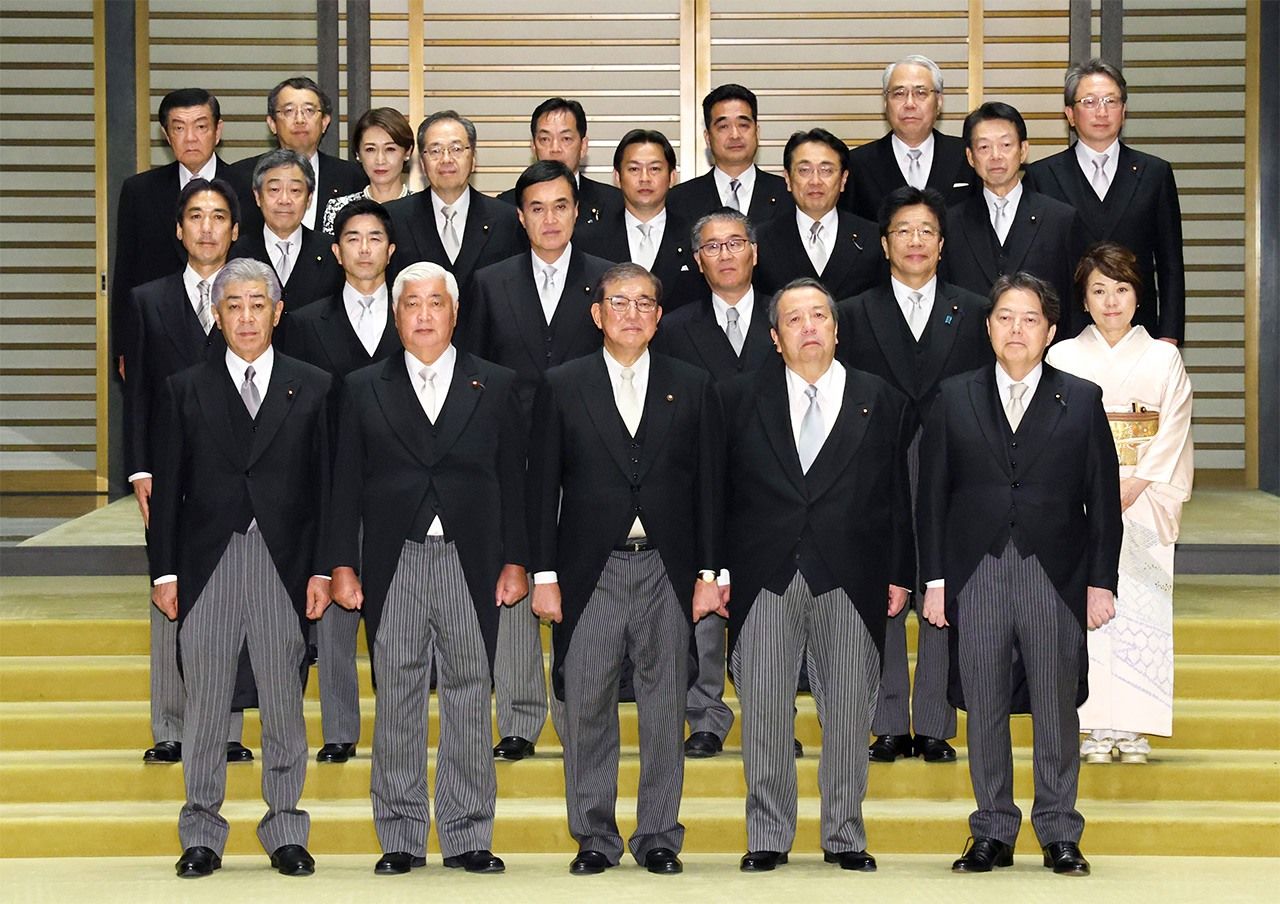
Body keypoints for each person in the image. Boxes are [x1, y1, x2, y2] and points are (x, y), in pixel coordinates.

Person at [917, 272, 1122, 877]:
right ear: (988, 327)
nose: (1016, 329)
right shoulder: (953, 396)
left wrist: (1101, 582)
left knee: (1056, 706)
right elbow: (931, 498)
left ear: (1050, 331)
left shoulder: (1080, 398)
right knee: (983, 704)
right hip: (975, 572)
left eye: (1030, 319)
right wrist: (934, 581)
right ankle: (992, 830)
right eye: (1005, 317)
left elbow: (1102, 501)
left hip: (1053, 573)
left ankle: (1059, 831)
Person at [328, 261, 528, 876]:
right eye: (411, 304)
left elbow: (514, 480)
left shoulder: (495, 383)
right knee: (397, 693)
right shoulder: (363, 386)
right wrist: (341, 563)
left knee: (470, 690)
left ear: (454, 313)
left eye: (435, 303)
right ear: (396, 316)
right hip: (396, 559)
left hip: (473, 558)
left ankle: (468, 833)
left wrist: (517, 559)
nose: (423, 315)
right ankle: (400, 834)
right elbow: (343, 483)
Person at [527, 262, 724, 876]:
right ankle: (594, 835)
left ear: (659, 317)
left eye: (644, 303)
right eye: (619, 302)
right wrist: (543, 575)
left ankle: (659, 834)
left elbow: (710, 486)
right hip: (589, 570)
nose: (631, 313)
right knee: (586, 705)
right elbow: (542, 486)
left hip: (668, 568)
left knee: (665, 705)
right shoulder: (563, 384)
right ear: (597, 314)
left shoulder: (692, 384)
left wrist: (709, 573)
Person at [148, 257, 333, 879]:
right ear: (216, 314)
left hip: (284, 563)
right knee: (205, 703)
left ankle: (285, 828)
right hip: (209, 563)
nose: (247, 317)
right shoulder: (185, 388)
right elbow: (168, 490)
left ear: (278, 313)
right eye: (234, 306)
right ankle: (202, 831)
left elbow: (327, 489)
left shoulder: (313, 386)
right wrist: (164, 573)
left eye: (258, 305)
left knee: (283, 701)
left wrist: (323, 569)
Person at [722, 278, 913, 873]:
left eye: (819, 317)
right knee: (764, 710)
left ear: (836, 328)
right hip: (764, 573)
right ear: (774, 337)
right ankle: (768, 834)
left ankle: (844, 833)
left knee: (850, 711)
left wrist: (901, 572)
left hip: (853, 575)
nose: (808, 327)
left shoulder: (881, 399)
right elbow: (718, 492)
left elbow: (898, 495)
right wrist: (716, 569)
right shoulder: (737, 397)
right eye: (794, 319)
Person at [461, 159, 614, 761]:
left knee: (582, 578)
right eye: (536, 208)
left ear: (578, 212)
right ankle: (521, 716)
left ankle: (581, 711)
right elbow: (473, 373)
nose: (550, 219)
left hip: (591, 455)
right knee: (516, 574)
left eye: (560, 206)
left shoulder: (609, 279)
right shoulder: (489, 282)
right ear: (520, 218)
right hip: (512, 456)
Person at [837, 185, 994, 764]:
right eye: (903, 231)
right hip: (876, 460)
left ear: (942, 243)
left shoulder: (974, 310)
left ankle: (933, 720)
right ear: (884, 244)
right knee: (883, 583)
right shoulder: (853, 312)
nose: (915, 241)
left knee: (939, 581)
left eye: (927, 230)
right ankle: (885, 720)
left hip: (952, 461)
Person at [1046, 242, 1193, 763]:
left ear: (1138, 297)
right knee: (1085, 607)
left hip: (1145, 494)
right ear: (1083, 300)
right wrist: (1089, 489)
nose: (1111, 302)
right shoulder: (1062, 356)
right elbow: (1051, 431)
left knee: (1142, 610)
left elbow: (1174, 427)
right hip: (1079, 498)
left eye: (1122, 289)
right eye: (1099, 290)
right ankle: (1090, 724)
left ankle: (1135, 726)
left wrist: (1137, 482)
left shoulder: (1163, 357)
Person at [124, 178, 253, 767]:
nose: (207, 227)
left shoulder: (251, 298)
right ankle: (172, 724)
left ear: (235, 230)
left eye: (218, 216)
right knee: (169, 585)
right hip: (168, 470)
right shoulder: (148, 299)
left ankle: (226, 726)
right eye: (196, 216)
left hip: (236, 469)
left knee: (233, 590)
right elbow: (137, 393)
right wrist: (139, 469)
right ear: (179, 230)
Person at [281, 198, 403, 765]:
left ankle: (397, 723)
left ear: (391, 250)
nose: (364, 248)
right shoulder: (306, 322)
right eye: (352, 238)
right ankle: (338, 728)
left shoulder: (416, 312)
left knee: (397, 608)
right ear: (335, 251)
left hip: (401, 480)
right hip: (330, 478)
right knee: (333, 599)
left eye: (374, 238)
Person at [652, 207, 773, 759]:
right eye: (712, 247)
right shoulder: (673, 328)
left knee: (767, 606)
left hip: (773, 483)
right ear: (698, 261)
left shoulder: (787, 315)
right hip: (696, 479)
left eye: (735, 243)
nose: (725, 255)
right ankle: (703, 714)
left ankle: (770, 716)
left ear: (754, 251)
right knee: (700, 597)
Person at [1027, 59, 1186, 344]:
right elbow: (1036, 265)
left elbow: (1170, 262)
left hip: (1139, 330)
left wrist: (1169, 335)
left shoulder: (1155, 173)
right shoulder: (1042, 175)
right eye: (1089, 102)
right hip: (1066, 333)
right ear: (1070, 114)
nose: (1102, 111)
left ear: (1124, 111)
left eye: (1111, 101)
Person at [113, 88, 251, 379]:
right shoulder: (139, 191)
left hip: (233, 332)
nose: (190, 138)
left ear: (217, 131)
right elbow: (125, 271)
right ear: (166, 134)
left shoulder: (247, 187)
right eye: (179, 128)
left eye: (200, 127)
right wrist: (124, 347)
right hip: (160, 337)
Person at [941, 103, 1084, 339]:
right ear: (970, 157)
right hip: (970, 352)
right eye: (984, 147)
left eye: (1006, 145)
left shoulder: (1060, 219)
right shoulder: (951, 222)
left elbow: (1074, 303)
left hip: (1042, 353)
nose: (995, 156)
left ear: (1023, 150)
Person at [384, 110, 524, 288]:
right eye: (435, 151)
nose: (446, 159)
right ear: (422, 164)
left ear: (473, 159)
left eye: (456, 149)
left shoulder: (507, 220)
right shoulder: (394, 218)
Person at [575, 128, 703, 310]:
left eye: (655, 169)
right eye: (634, 169)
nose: (644, 178)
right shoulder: (588, 240)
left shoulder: (696, 238)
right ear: (617, 177)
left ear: (672, 177)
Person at [841, 55, 977, 219]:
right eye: (899, 93)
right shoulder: (857, 164)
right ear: (885, 102)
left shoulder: (968, 156)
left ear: (939, 101)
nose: (910, 104)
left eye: (921, 93)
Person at [755, 128, 883, 302]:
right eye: (804, 170)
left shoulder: (873, 238)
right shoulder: (762, 240)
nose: (815, 181)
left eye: (826, 170)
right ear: (787, 178)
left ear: (843, 179)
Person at [230, 76, 366, 234]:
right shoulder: (240, 178)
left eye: (309, 110)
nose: (300, 120)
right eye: (289, 111)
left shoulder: (353, 178)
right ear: (272, 124)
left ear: (324, 122)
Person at [230, 149, 343, 329]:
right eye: (274, 190)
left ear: (309, 198)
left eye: (295, 190)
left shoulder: (332, 252)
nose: (284, 200)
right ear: (258, 196)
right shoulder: (236, 252)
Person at [666, 84, 789, 225]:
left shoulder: (788, 194)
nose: (735, 135)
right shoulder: (678, 200)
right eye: (723, 126)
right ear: (707, 138)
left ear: (757, 132)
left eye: (743, 125)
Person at [497, 97, 624, 230]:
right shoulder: (507, 206)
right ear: (533, 147)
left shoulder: (614, 204)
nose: (555, 148)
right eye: (545, 139)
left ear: (583, 146)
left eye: (566, 139)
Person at [321, 107, 415, 235]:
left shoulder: (423, 208)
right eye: (370, 149)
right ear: (358, 154)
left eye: (390, 149)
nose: (380, 160)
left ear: (407, 152)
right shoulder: (339, 208)